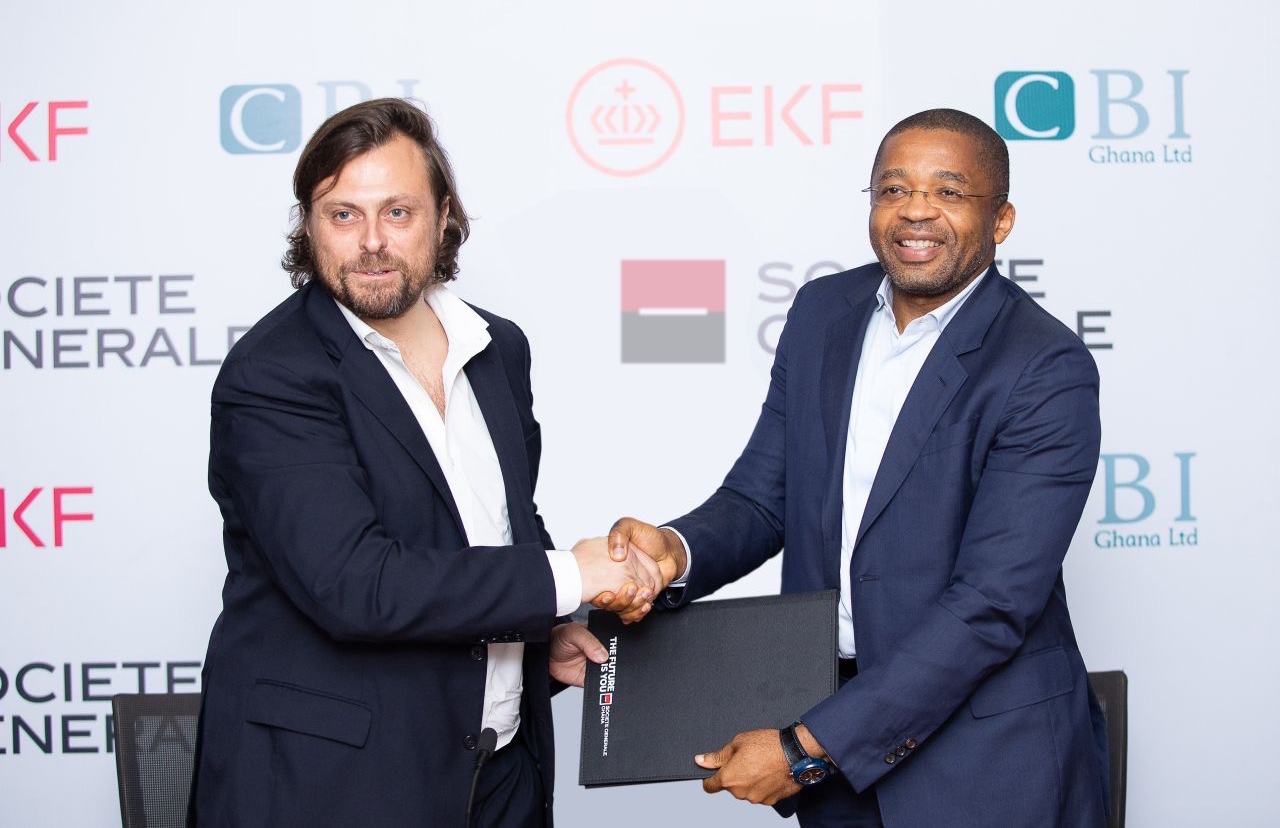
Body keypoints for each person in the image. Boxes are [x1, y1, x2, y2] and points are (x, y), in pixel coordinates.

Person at [603, 109, 1110, 827]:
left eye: (949, 191)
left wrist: (805, 748)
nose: (916, 211)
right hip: (831, 742)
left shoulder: (1043, 366)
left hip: (984, 763)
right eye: (894, 189)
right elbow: (763, 497)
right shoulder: (823, 312)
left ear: (1001, 220)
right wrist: (674, 551)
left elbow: (991, 603)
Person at [192, 98, 660, 827]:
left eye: (398, 212)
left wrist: (542, 632)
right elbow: (356, 584)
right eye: (342, 215)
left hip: (499, 773)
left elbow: (500, 523)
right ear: (309, 225)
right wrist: (570, 576)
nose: (371, 241)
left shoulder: (497, 347)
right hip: (336, 788)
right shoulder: (273, 373)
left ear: (443, 216)